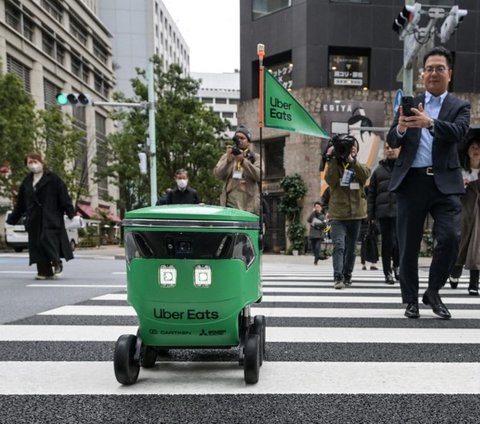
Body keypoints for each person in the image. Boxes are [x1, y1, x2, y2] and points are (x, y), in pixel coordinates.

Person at [387, 47, 471, 319]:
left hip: (445, 183)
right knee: (408, 244)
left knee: (450, 237)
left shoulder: (460, 106)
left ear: (450, 74)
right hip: (411, 181)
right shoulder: (410, 102)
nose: (434, 73)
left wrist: (430, 123)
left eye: (440, 68)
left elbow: (459, 133)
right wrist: (401, 126)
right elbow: (392, 139)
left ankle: (433, 290)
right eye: (430, 69)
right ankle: (411, 299)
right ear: (424, 74)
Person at [6, 152, 75, 280]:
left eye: (35, 161)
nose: (33, 165)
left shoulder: (54, 179)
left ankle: (56, 263)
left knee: (46, 238)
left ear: (42, 162)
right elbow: (21, 203)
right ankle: (44, 271)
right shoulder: (27, 182)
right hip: (34, 218)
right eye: (29, 162)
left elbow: (64, 197)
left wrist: (71, 212)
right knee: (37, 244)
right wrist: (12, 219)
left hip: (51, 216)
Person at [324, 134, 371, 289]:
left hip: (356, 214)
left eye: (353, 147)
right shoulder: (335, 165)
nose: (348, 150)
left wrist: (353, 162)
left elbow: (365, 176)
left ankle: (348, 275)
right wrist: (331, 159)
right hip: (338, 214)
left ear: (356, 149)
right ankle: (338, 277)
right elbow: (330, 181)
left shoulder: (360, 165)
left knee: (351, 249)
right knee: (339, 245)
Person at [448, 130, 480, 295]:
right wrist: (461, 186)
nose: (476, 150)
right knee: (461, 242)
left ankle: (474, 282)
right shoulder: (461, 172)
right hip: (464, 211)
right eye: (473, 147)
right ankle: (455, 270)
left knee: (477, 245)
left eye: (479, 147)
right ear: (467, 151)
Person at [367, 142, 401, 284]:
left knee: (399, 243)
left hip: (401, 212)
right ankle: (387, 272)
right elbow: (371, 195)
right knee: (387, 243)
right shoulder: (378, 171)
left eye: (393, 147)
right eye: (387, 147)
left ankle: (397, 267)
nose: (390, 150)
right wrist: (371, 216)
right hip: (384, 213)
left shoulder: (404, 168)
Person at [214, 126, 261, 215]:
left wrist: (243, 161)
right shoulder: (227, 156)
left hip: (248, 207)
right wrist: (228, 161)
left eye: (242, 138)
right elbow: (217, 174)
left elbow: (259, 176)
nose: (239, 140)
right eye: (237, 138)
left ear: (248, 141)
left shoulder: (255, 157)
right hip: (229, 207)